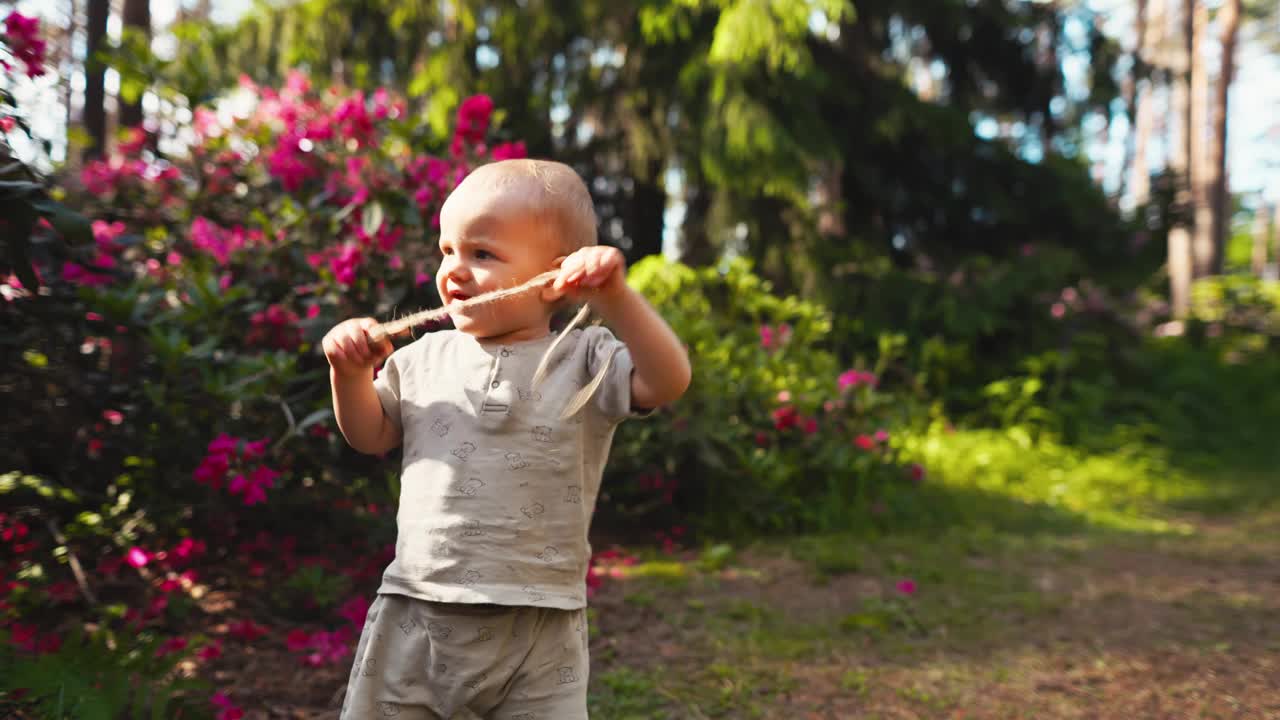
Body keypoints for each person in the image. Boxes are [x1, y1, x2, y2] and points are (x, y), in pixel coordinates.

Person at [321, 158, 691, 719]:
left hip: (540, 625)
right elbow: (370, 435)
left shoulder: (585, 357)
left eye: (482, 254)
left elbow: (668, 381)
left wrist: (616, 299)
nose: (454, 271)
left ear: (556, 276)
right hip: (419, 611)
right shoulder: (422, 359)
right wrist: (349, 375)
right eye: (448, 251)